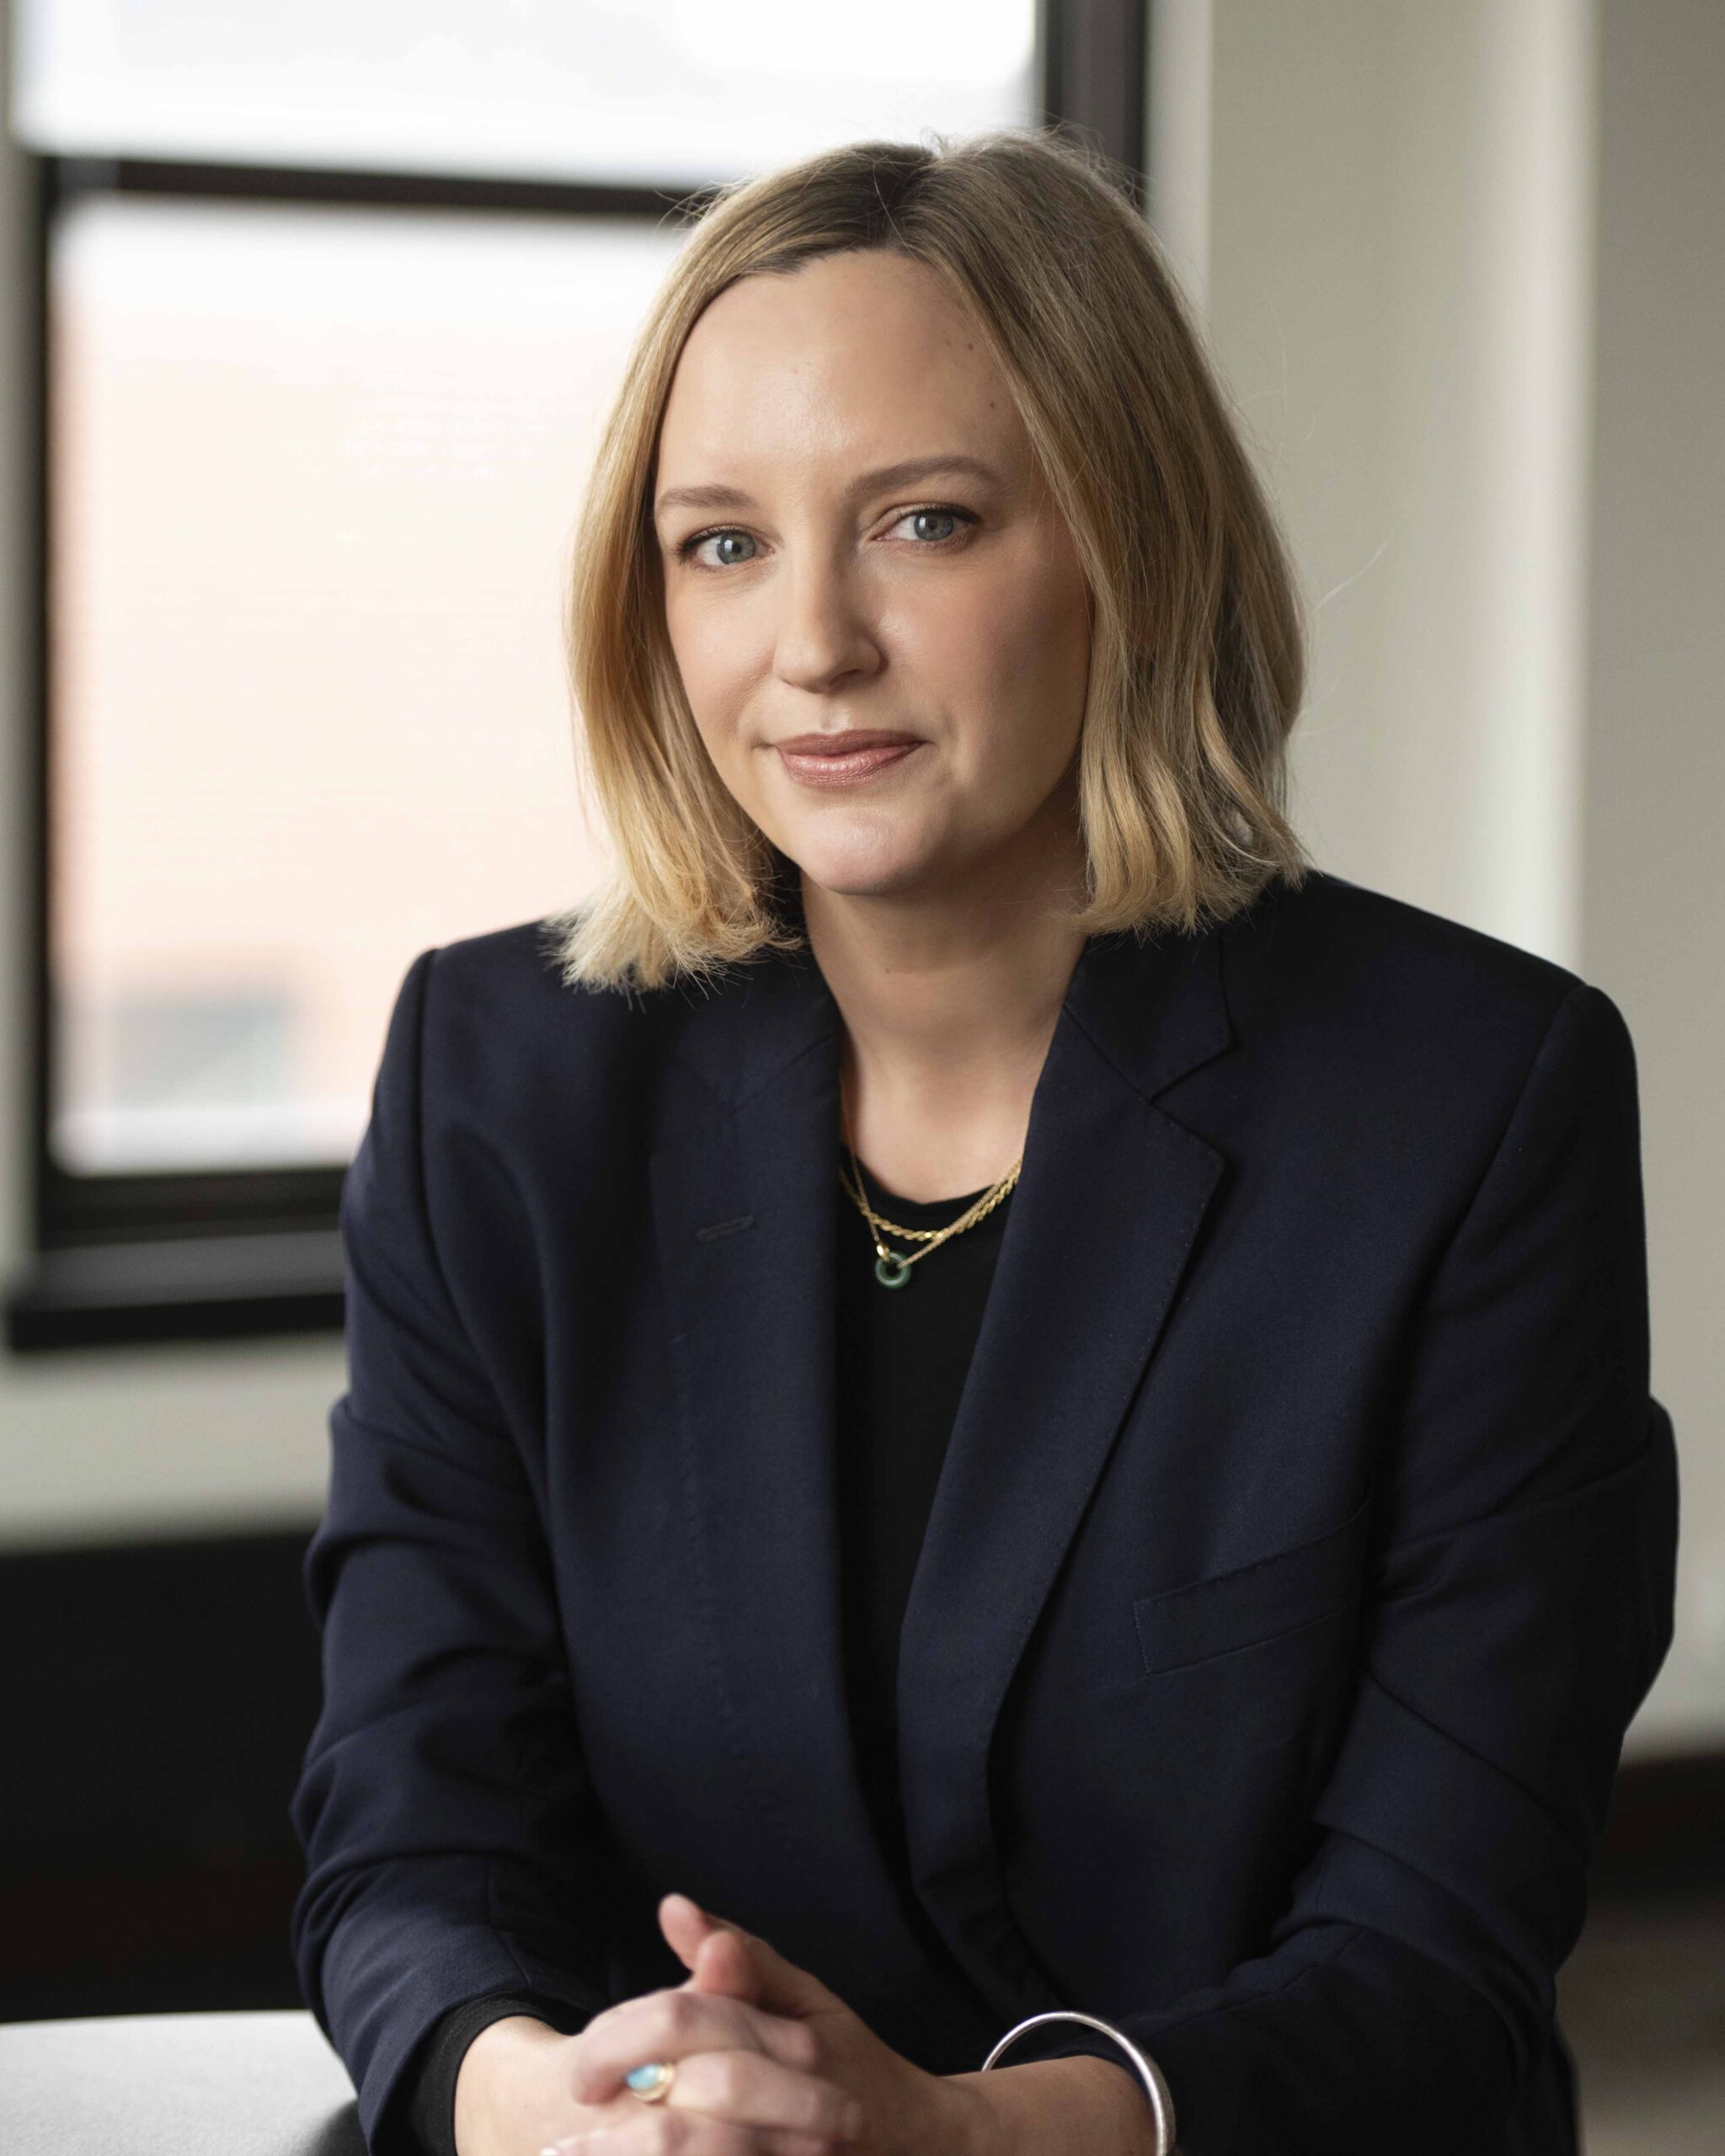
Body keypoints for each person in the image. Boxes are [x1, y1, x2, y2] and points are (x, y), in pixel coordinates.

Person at [289, 129, 1679, 2156]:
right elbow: (409, 1812)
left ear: (1130, 542)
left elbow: (1437, 1945)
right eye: (721, 542)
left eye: (925, 522)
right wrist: (546, 2100)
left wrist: (957, 2131)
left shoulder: (1472, 1099)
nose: (814, 644)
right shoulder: (497, 1077)